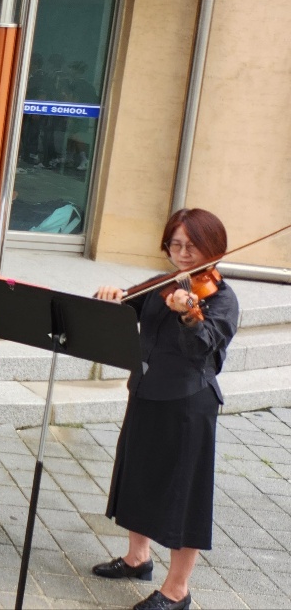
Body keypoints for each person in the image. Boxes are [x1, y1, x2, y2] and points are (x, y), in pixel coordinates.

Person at [90, 209, 238, 610]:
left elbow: (206, 348)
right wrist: (112, 297)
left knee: (182, 495)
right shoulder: (163, 283)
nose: (184, 253)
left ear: (214, 248)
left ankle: (178, 590)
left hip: (189, 404)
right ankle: (138, 558)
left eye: (193, 245)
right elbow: (126, 307)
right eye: (176, 244)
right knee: (138, 476)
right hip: (147, 391)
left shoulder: (221, 299)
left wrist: (189, 314)